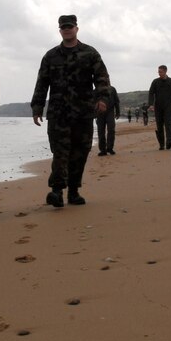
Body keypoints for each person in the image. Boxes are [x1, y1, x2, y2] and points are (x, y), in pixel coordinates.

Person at [31, 15, 111, 207]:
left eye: (70, 26)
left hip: (83, 113)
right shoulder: (50, 56)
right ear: (60, 30)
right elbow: (42, 83)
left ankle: (73, 191)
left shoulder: (90, 53)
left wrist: (102, 98)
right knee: (60, 152)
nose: (67, 30)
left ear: (76, 29)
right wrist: (37, 107)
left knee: (80, 152)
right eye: (63, 27)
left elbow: (101, 77)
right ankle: (57, 191)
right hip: (58, 114)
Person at [147, 65, 171, 150]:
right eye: (158, 72)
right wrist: (151, 104)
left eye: (160, 72)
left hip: (168, 107)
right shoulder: (155, 82)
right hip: (158, 107)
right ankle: (161, 144)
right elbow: (151, 93)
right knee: (159, 126)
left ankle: (169, 142)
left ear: (165, 71)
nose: (159, 73)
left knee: (169, 125)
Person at [96, 84, 121, 156]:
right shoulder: (97, 89)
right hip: (99, 113)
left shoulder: (112, 89)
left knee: (111, 130)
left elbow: (116, 101)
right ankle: (102, 150)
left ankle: (110, 148)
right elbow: (93, 101)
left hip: (110, 112)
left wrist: (118, 112)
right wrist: (94, 114)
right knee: (100, 131)